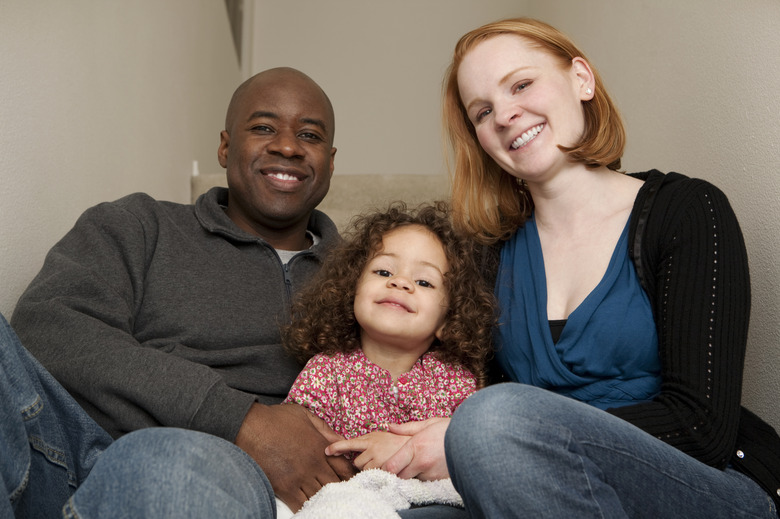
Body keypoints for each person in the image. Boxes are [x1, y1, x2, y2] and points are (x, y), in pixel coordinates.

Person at [434, 17, 780, 518]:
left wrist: (503, 430)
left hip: (709, 485)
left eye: (522, 84)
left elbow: (701, 427)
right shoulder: (490, 254)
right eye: (483, 111)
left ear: (581, 79)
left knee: (488, 421)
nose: (506, 114)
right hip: (542, 483)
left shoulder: (686, 210)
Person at [7, 66, 356, 516]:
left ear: (330, 160)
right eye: (263, 127)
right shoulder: (137, 225)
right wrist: (239, 419)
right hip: (80, 453)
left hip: (232, 479)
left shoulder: (370, 275)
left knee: (169, 463)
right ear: (225, 146)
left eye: (309, 136)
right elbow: (48, 327)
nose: (287, 146)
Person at [279, 201, 494, 517]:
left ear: (448, 321)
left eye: (423, 282)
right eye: (383, 271)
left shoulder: (455, 380)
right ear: (351, 291)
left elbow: (473, 456)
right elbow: (297, 445)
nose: (400, 282)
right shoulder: (326, 371)